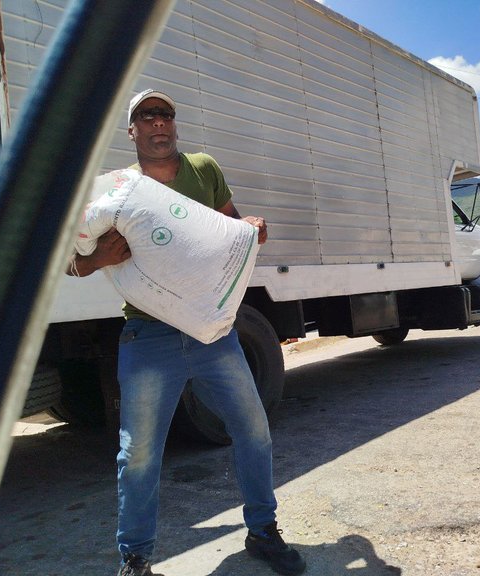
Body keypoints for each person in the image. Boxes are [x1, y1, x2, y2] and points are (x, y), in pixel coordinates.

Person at [67, 89, 306, 576]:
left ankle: (263, 531)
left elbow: (231, 229)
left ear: (173, 125)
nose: (158, 122)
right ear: (131, 131)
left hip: (214, 334)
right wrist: (98, 260)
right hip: (148, 336)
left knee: (254, 431)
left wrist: (252, 230)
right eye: (146, 116)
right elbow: (71, 263)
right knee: (137, 454)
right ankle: (135, 558)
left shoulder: (204, 169)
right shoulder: (117, 191)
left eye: (165, 115)